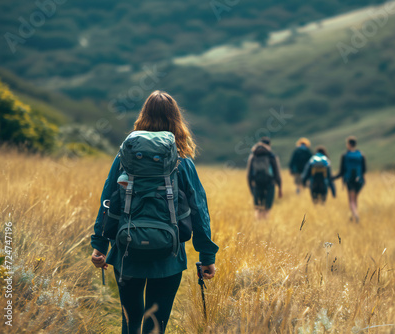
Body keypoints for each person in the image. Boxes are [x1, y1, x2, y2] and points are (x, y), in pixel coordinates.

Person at [90, 91, 219, 334]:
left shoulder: (124, 159)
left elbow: (107, 200)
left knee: (131, 321)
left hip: (126, 251)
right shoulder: (182, 162)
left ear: (143, 117)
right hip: (168, 256)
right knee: (156, 324)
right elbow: (199, 209)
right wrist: (207, 256)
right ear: (176, 120)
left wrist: (100, 245)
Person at [246, 137, 282, 219]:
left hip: (257, 183)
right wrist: (280, 187)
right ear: (269, 145)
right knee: (267, 207)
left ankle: (258, 224)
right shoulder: (271, 156)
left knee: (258, 207)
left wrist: (251, 187)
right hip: (270, 183)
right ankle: (265, 224)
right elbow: (277, 172)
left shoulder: (253, 155)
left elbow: (249, 174)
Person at [333, 136, 366, 223]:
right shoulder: (361, 155)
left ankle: (356, 215)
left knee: (351, 200)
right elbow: (364, 170)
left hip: (349, 179)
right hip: (359, 180)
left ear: (348, 144)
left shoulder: (345, 155)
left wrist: (333, 178)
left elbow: (341, 171)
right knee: (355, 199)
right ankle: (353, 216)